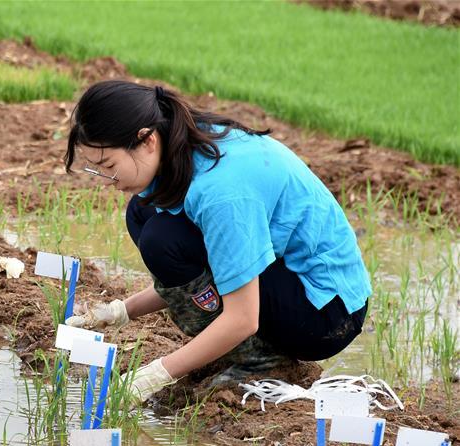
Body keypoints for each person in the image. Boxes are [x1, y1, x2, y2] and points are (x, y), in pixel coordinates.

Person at [64, 80, 370, 399]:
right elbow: (203, 275)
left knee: (161, 236)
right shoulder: (181, 140)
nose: (106, 181)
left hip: (325, 314)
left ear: (147, 140)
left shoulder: (221, 193)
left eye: (109, 166)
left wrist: (158, 373)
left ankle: (259, 360)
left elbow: (243, 317)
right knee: (143, 213)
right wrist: (120, 311)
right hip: (286, 281)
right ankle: (230, 349)